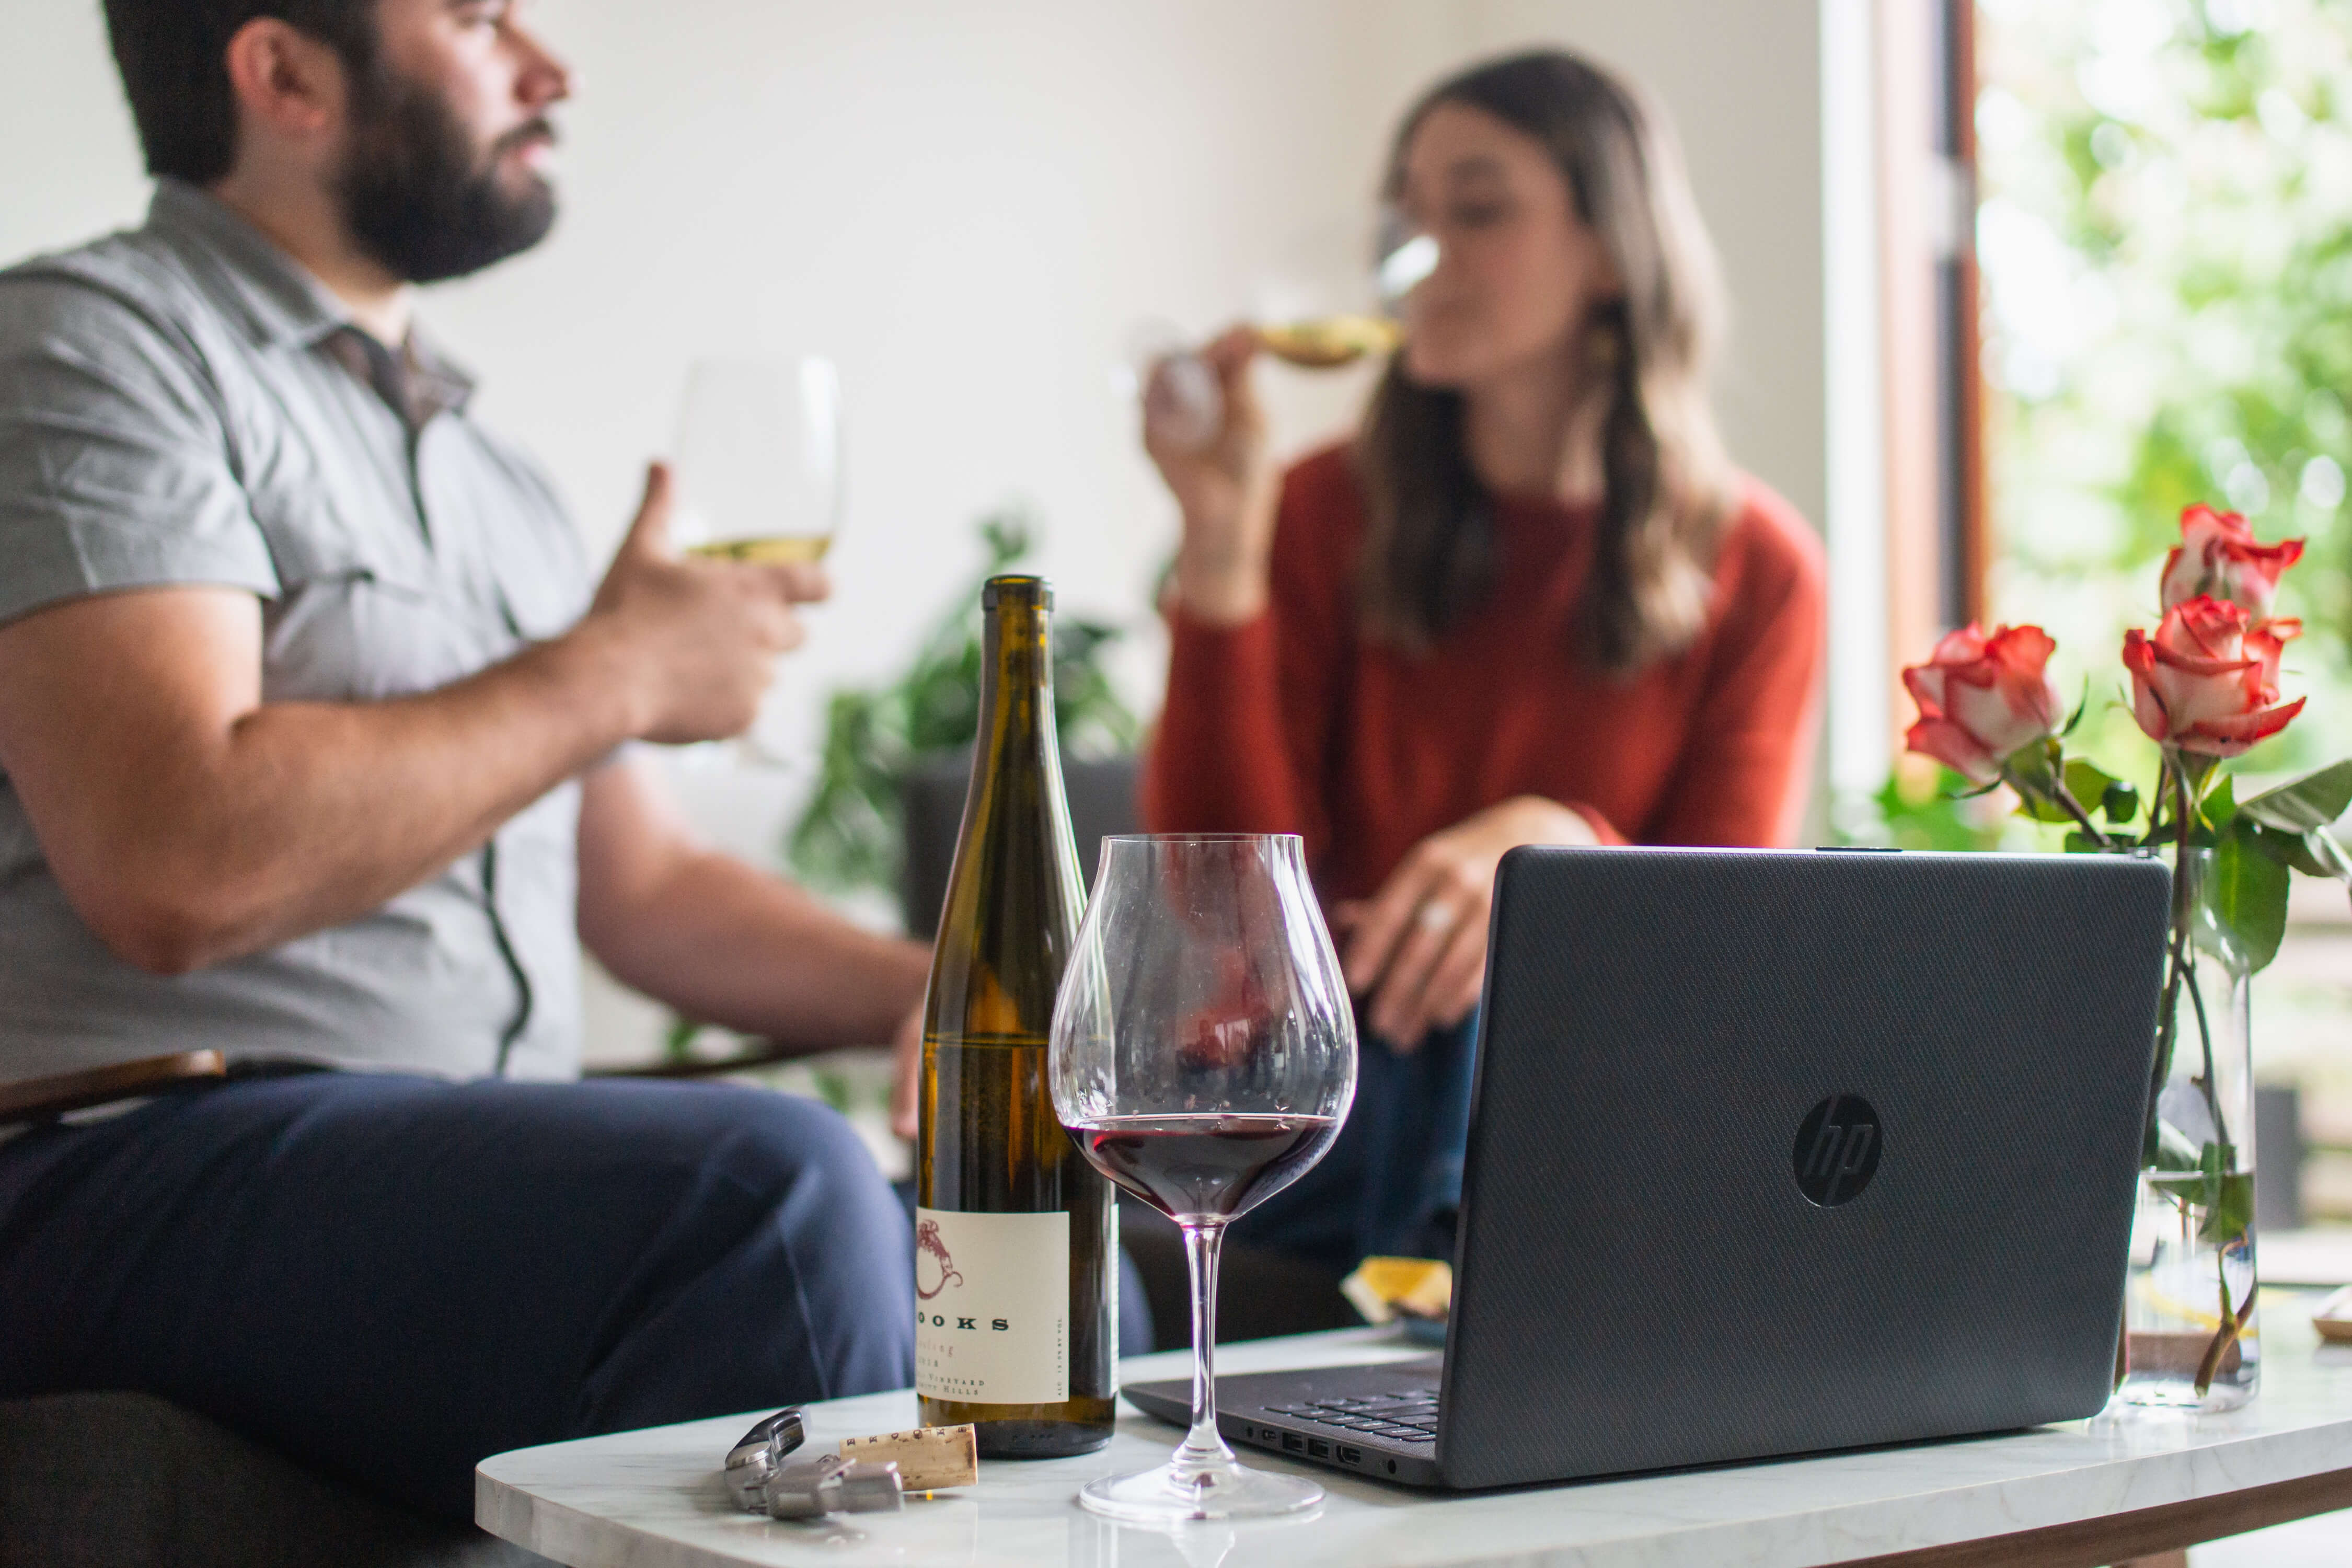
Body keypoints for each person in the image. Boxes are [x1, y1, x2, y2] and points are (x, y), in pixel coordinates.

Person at [0, 0, 930, 1523]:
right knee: (764, 1200)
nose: (551, 67)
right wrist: (615, 666)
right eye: (479, 19)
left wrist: (943, 990)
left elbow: (642, 890)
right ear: (283, 71)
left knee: (1033, 1265)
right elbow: (171, 857)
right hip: (122, 1157)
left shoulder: (501, 477)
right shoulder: (87, 345)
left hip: (458, 1174)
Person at [1140, 51, 1827, 1273]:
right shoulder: (1308, 513)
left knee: (1515, 957)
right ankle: (1448, 1291)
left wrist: (1566, 852)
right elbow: (1220, 922)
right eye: (1405, 217)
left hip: (1595, 1098)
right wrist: (1219, 553)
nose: (1418, 257)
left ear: (1612, 252)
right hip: (1326, 1095)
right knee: (1440, 1013)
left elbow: (1727, 954)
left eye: (1480, 208)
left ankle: (1437, 1282)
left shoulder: (1758, 564)